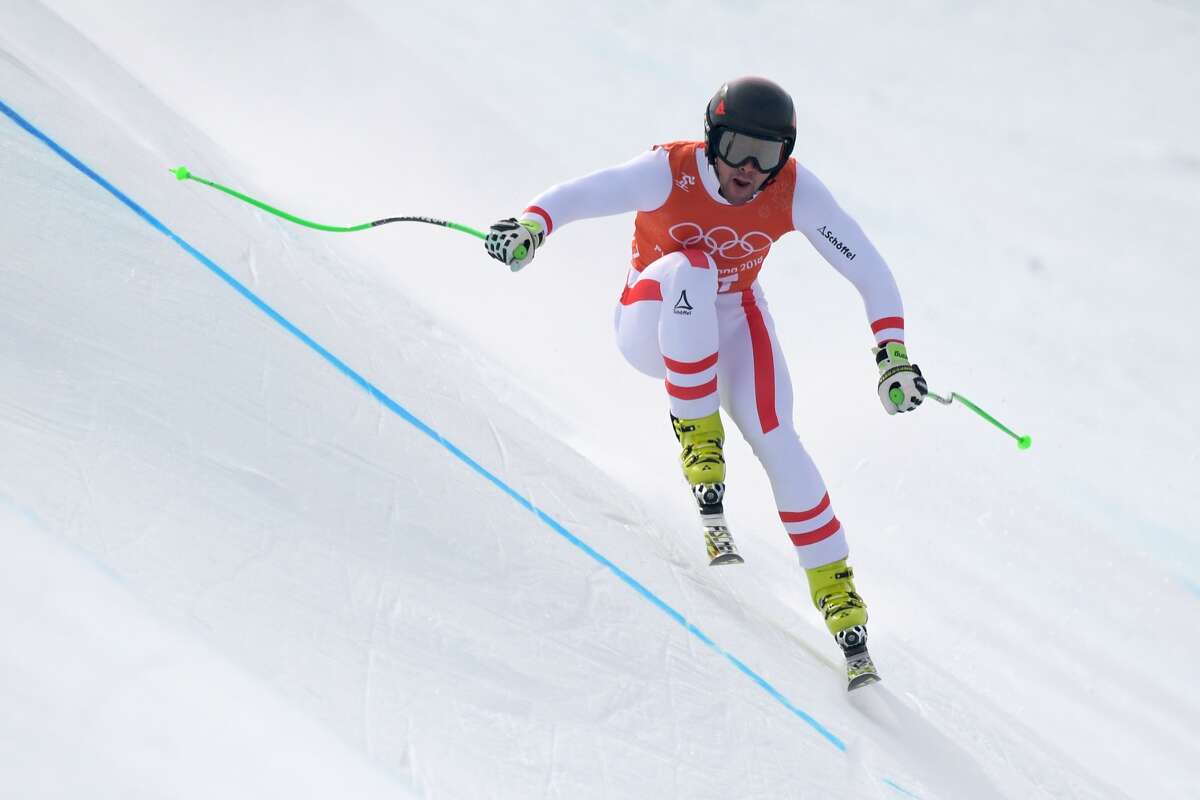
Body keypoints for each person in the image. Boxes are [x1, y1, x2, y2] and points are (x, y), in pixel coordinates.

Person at [484, 76, 927, 689]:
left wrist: (892, 353)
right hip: (652, 319)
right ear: (712, 138)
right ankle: (701, 451)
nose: (749, 167)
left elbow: (870, 270)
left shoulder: (795, 191)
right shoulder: (670, 171)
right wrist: (531, 226)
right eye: (739, 147)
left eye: (767, 155)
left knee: (777, 435)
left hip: (732, 318)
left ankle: (840, 600)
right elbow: (581, 195)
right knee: (694, 267)